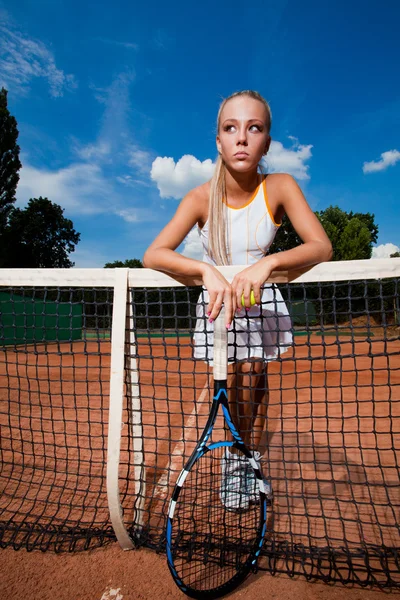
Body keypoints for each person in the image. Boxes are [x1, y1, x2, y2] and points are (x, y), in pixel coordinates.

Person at [144, 90, 332, 510]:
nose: (242, 138)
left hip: (260, 301)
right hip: (220, 305)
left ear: (266, 141)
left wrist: (268, 265)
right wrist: (205, 271)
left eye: (254, 128)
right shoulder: (198, 197)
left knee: (256, 383)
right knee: (233, 388)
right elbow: (154, 254)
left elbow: (321, 246)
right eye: (231, 128)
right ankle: (234, 459)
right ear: (218, 141)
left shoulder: (280, 186)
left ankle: (250, 460)